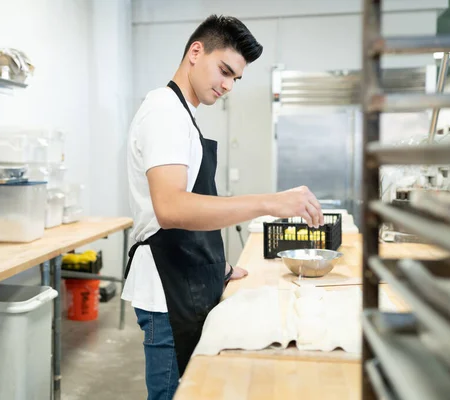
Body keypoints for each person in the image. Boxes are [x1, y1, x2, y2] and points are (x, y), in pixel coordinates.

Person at [122, 14, 324, 400]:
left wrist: (216, 265)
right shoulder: (164, 111)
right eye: (225, 71)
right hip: (167, 289)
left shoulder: (183, 114)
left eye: (236, 79)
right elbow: (171, 208)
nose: (228, 85)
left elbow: (191, 209)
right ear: (196, 52)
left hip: (186, 274)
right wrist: (271, 202)